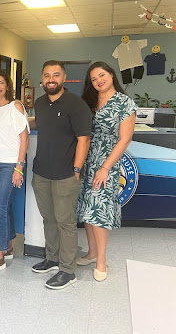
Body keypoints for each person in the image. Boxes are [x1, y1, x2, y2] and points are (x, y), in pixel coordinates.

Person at [31, 60, 92, 290]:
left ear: (64, 77)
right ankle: (52, 258)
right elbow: (43, 126)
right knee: (49, 219)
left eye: (56, 75)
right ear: (42, 78)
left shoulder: (77, 105)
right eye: (47, 75)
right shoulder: (39, 102)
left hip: (66, 174)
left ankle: (68, 270)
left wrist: (76, 169)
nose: (51, 79)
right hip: (42, 173)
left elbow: (84, 139)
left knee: (65, 222)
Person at [76, 62, 137, 282]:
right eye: (93, 79)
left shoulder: (124, 102)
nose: (98, 81)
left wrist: (104, 168)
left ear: (111, 75)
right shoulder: (89, 101)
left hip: (106, 164)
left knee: (99, 210)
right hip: (87, 160)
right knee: (87, 209)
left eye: (101, 75)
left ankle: (101, 259)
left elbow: (125, 139)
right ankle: (92, 253)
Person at [0, 70, 29, 275]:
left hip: (10, 165)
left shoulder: (15, 106)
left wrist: (19, 166)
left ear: (7, 86)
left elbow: (24, 139)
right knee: (6, 205)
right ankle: (8, 247)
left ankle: (0, 255)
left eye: (1, 83)